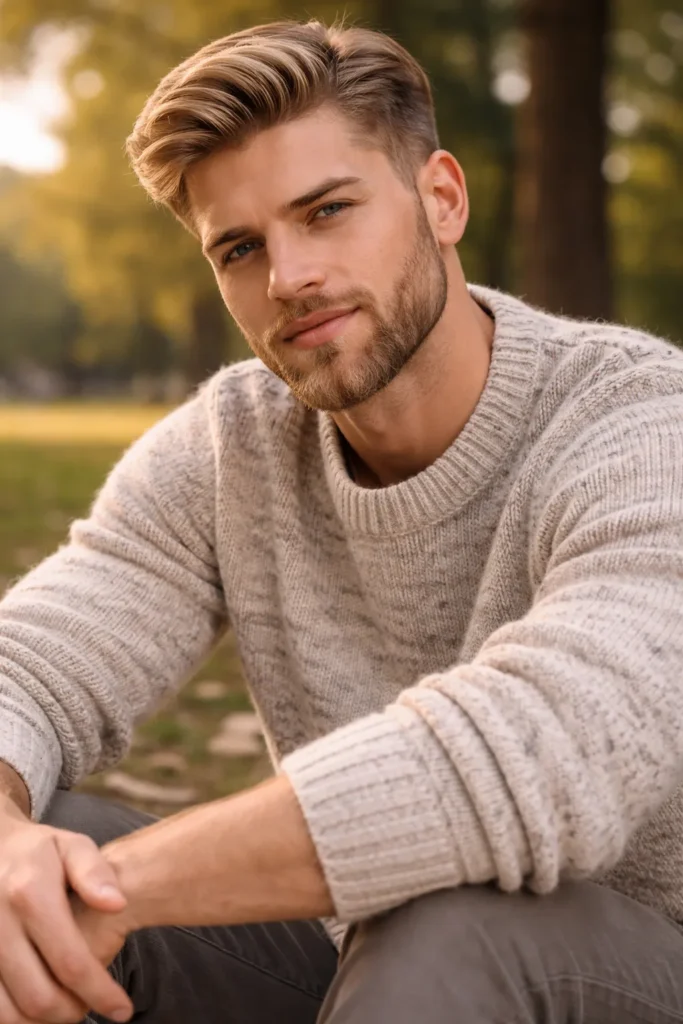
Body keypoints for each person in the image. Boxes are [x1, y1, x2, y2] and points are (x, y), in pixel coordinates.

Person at [0, 16, 682, 1024]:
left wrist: (127, 888)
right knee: (34, 878)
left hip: (626, 971)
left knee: (447, 921)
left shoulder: (641, 424)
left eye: (325, 211)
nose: (287, 278)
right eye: (239, 247)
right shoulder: (232, 444)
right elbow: (34, 657)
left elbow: (533, 754)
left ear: (439, 198)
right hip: (371, 971)